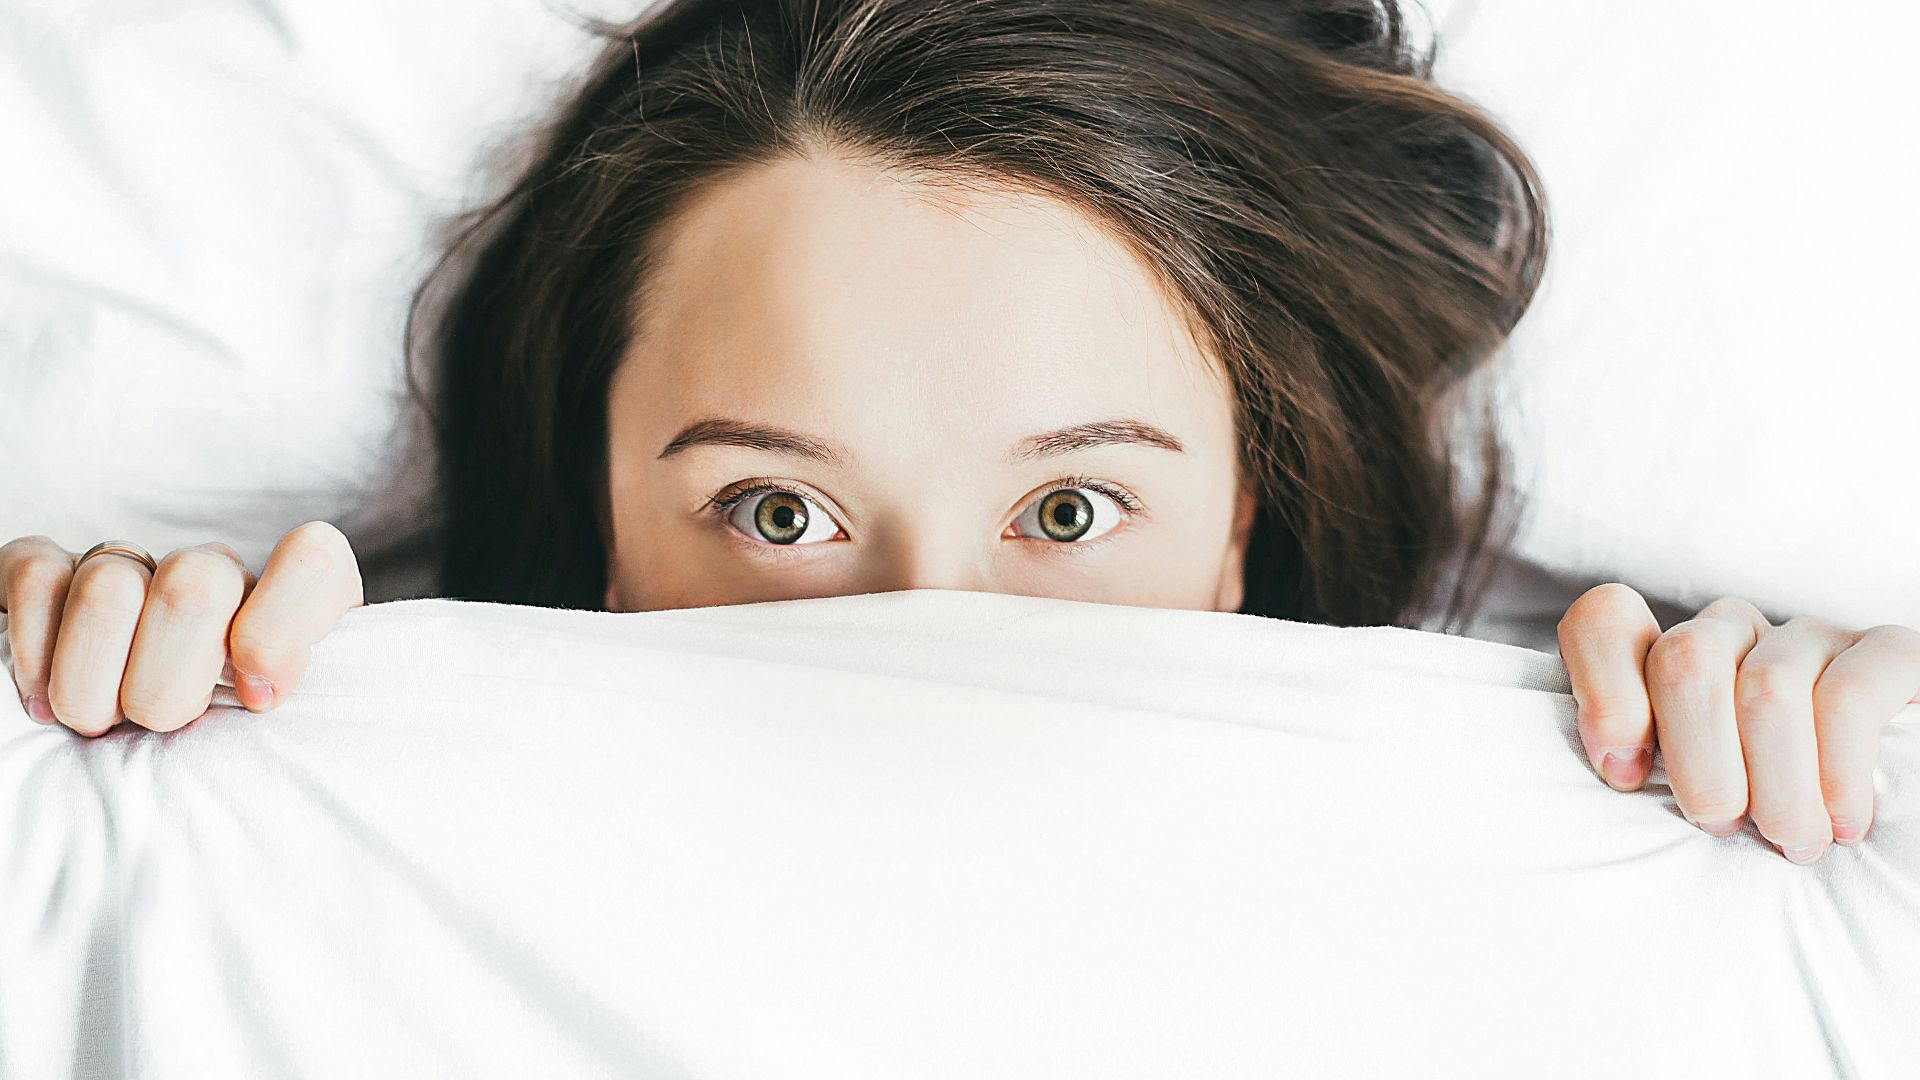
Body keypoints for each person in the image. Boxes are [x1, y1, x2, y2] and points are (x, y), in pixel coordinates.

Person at [3, 0, 1916, 866]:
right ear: (601, 533)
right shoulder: (293, 818)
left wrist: (1844, 758)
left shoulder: (1599, 818)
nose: (935, 630)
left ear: (1245, 522)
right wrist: (88, 708)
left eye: (1072, 507)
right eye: (776, 507)